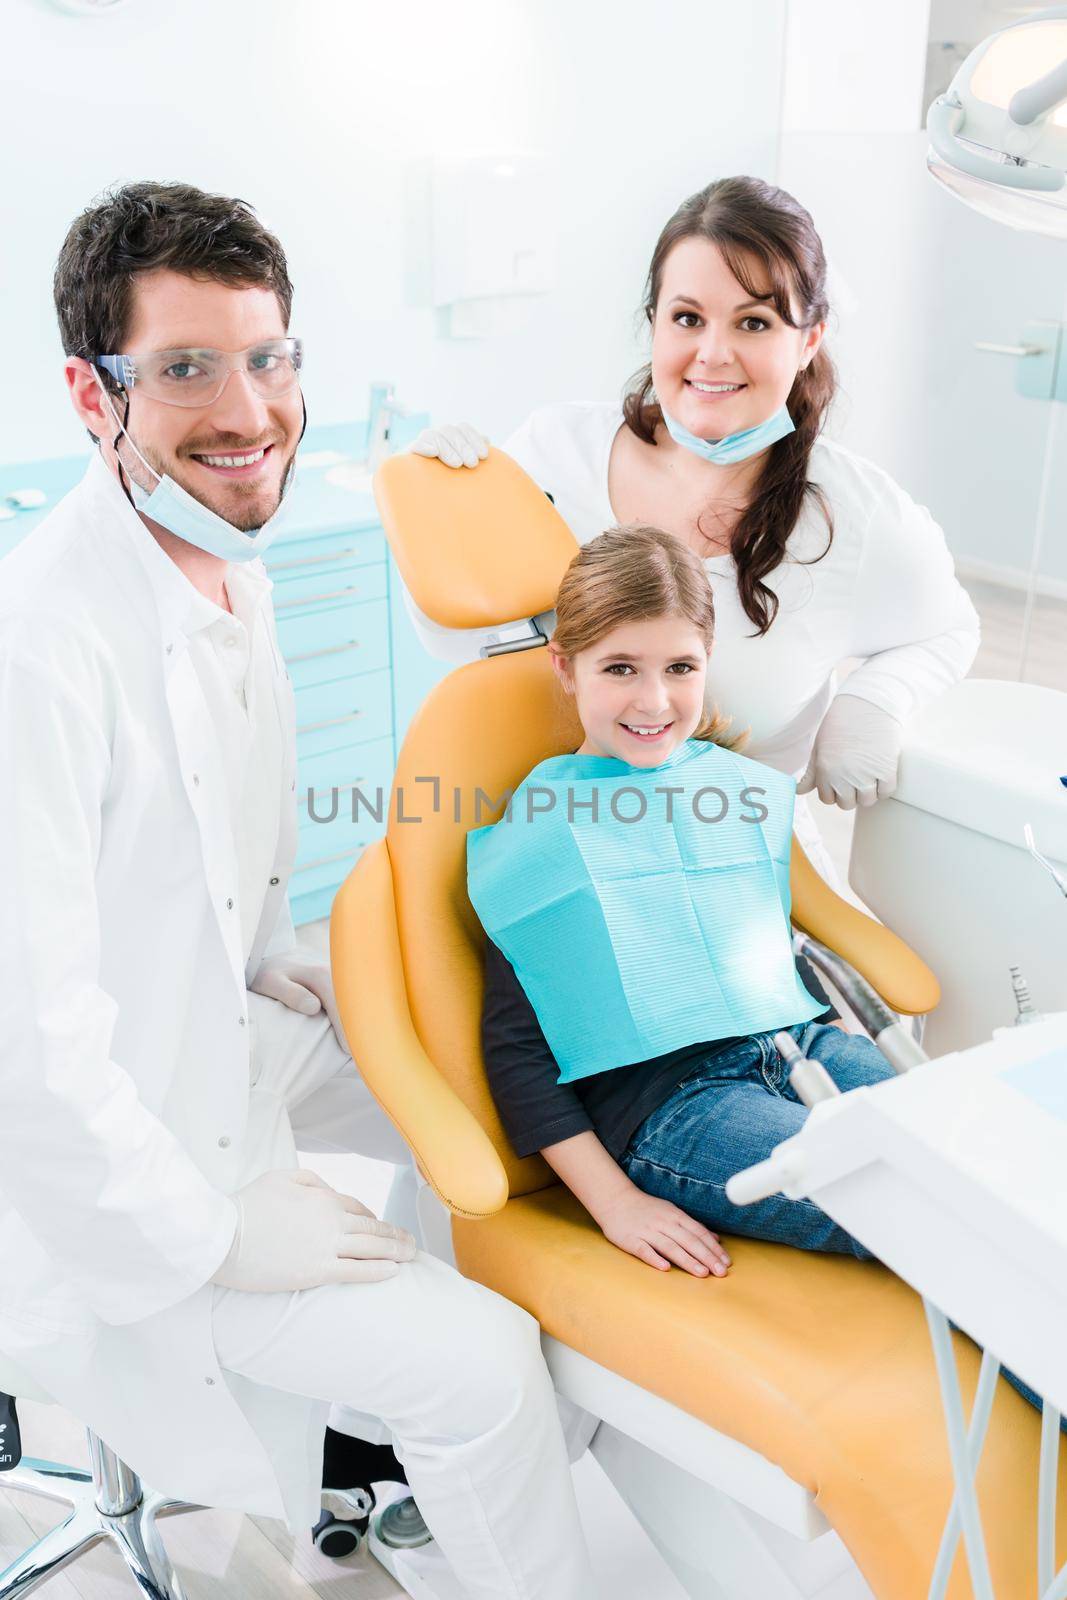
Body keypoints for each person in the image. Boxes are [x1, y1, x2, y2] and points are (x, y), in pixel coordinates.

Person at [0, 180, 595, 1599]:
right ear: (95, 396)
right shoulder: (43, 648)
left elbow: (210, 848)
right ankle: (446, 1446)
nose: (250, 410)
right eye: (189, 368)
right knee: (488, 1364)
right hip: (107, 1168)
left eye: (269, 358)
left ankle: (391, 1462)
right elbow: (30, 1054)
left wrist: (272, 952)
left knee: (495, 1118)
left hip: (213, 1030)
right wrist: (210, 1233)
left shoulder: (222, 559)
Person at [412, 175, 980, 883]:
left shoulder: (856, 517)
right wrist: (437, 511)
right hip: (540, 863)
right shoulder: (551, 455)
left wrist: (871, 703)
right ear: (653, 322)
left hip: (725, 887)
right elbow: (450, 640)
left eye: (753, 322)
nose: (712, 353)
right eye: (686, 318)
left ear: (809, 340)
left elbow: (948, 630)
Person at [468, 524, 895, 1275]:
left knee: (984, 1160)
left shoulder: (728, 787)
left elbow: (775, 953)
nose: (654, 699)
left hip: (798, 1047)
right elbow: (516, 1055)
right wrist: (614, 1203)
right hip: (672, 1109)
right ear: (564, 668)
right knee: (920, 1205)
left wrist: (838, 1053)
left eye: (679, 667)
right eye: (620, 668)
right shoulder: (540, 841)